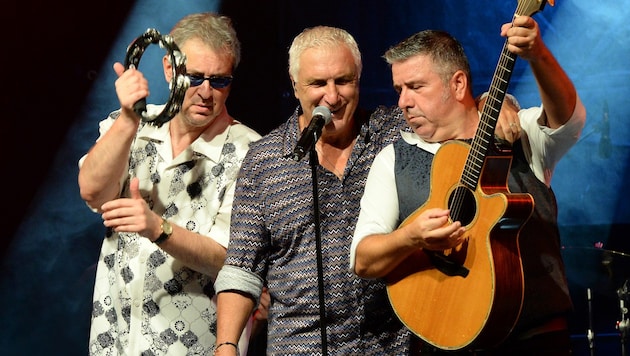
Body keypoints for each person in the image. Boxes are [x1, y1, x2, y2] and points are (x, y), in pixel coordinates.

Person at [213, 25, 521, 355]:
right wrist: (227, 345)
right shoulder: (264, 160)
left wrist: (497, 103)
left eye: (343, 81)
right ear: (295, 85)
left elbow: (450, 111)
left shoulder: (397, 132)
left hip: (396, 344)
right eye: (318, 84)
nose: (332, 97)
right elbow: (241, 269)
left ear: (358, 80)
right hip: (301, 345)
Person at [351, 15, 586, 355]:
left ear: (458, 85)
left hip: (534, 341)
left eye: (416, 87)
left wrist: (538, 55)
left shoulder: (515, 132)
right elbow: (363, 259)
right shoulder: (392, 159)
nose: (402, 101)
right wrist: (410, 237)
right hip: (442, 342)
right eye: (399, 90)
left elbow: (570, 119)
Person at [77, 12, 266, 356]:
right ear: (168, 69)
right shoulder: (131, 127)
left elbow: (233, 260)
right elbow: (92, 191)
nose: (206, 92)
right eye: (194, 77)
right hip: (114, 339)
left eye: (219, 81)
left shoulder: (251, 153)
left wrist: (157, 228)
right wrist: (129, 117)